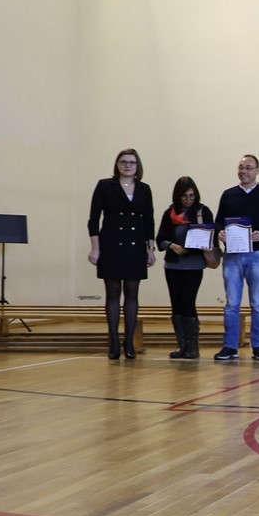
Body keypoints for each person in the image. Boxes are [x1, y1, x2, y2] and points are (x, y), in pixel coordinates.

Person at [87, 148, 156, 360]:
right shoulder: (105, 185)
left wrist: (150, 250)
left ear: (138, 166)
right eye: (123, 162)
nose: (128, 165)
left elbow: (149, 221)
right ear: (117, 165)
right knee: (113, 293)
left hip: (135, 247)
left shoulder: (144, 188)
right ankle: (114, 342)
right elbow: (93, 219)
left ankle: (129, 342)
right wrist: (95, 248)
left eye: (132, 162)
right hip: (110, 245)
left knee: (132, 294)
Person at [214, 154, 259, 362]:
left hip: (258, 255)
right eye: (241, 167)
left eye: (249, 168)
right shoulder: (228, 195)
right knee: (232, 303)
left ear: (257, 170)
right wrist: (220, 232)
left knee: (257, 303)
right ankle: (230, 346)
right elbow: (219, 222)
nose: (244, 171)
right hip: (232, 255)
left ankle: (258, 346)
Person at [155, 176, 215, 360]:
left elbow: (211, 234)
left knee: (188, 302)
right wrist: (171, 245)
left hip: (193, 264)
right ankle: (182, 345)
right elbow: (160, 239)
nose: (188, 200)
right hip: (173, 264)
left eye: (191, 196)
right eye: (184, 196)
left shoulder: (202, 211)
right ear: (177, 196)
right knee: (176, 304)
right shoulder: (170, 213)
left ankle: (193, 347)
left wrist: (205, 244)